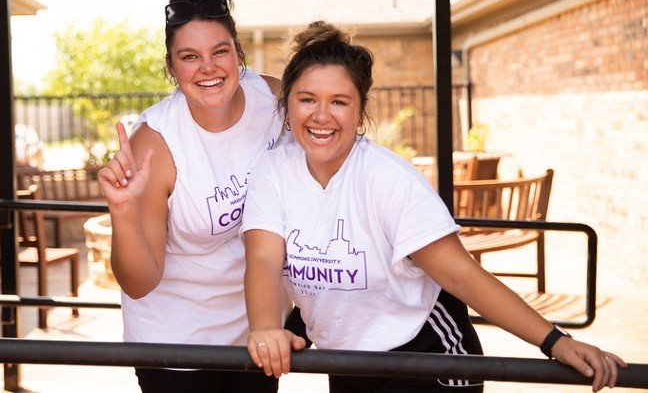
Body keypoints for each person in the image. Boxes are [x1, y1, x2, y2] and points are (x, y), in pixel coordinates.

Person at [241, 21, 627, 392]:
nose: (321, 115)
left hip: (427, 357)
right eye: (307, 99)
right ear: (286, 104)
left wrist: (555, 341)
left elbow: (462, 276)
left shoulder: (388, 180)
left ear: (360, 112)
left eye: (338, 101)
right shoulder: (273, 172)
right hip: (349, 361)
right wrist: (264, 328)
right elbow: (264, 260)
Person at [97, 0, 304, 393]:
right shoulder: (156, 144)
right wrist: (122, 210)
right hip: (176, 345)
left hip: (256, 332)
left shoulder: (276, 99)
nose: (207, 67)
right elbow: (140, 282)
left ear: (238, 53)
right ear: (172, 68)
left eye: (220, 51)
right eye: (189, 57)